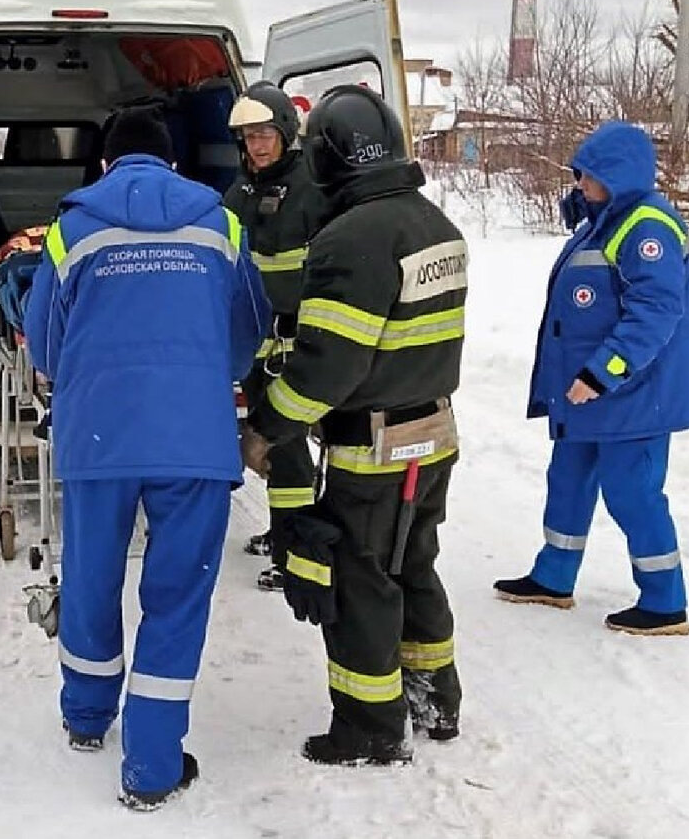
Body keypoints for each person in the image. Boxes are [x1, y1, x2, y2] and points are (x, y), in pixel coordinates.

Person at [23, 106, 268, 809]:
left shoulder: (73, 228)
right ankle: (153, 766)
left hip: (98, 435)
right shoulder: (219, 223)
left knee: (94, 576)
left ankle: (87, 715)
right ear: (172, 163)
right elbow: (247, 327)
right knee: (177, 595)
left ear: (106, 164)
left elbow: (43, 342)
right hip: (194, 437)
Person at [241, 85, 467, 766]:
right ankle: (435, 697)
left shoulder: (350, 240)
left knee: (359, 577)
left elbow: (324, 369)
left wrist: (268, 423)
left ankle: (370, 725)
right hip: (434, 433)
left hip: (373, 446)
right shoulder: (436, 225)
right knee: (414, 564)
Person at [494, 122, 689, 636]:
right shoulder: (606, 221)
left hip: (631, 393)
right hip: (586, 393)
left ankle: (664, 600)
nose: (580, 185)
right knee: (568, 480)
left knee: (632, 492)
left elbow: (655, 312)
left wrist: (604, 373)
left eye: (588, 177)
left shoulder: (648, 226)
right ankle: (554, 576)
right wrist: (585, 209)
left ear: (618, 175)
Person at [225, 81, 331, 592]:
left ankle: (295, 555)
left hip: (295, 345)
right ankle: (283, 531)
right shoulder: (240, 190)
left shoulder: (314, 187)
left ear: (287, 132)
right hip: (257, 345)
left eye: (265, 134)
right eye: (248, 137)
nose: (257, 146)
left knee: (287, 447)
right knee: (270, 441)